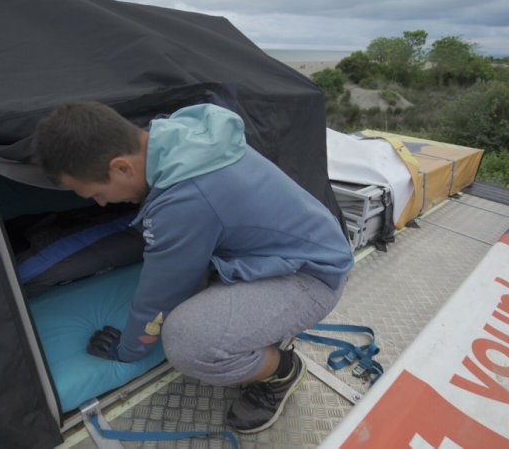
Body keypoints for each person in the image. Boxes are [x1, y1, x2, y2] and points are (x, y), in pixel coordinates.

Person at [32, 101, 354, 433]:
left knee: (188, 342)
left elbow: (158, 298)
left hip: (312, 276)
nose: (100, 203)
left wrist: (129, 350)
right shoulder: (178, 137)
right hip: (302, 249)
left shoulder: (185, 199)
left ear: (122, 168)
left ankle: (283, 371)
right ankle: (266, 333)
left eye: (97, 193)